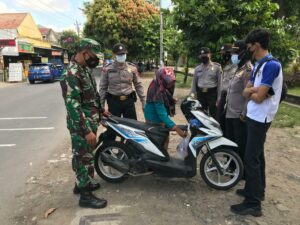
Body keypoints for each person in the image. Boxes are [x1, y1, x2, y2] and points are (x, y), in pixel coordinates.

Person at [231, 28, 283, 217]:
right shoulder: (260, 64)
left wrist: (254, 92)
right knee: (256, 155)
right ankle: (257, 191)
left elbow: (259, 96)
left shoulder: (271, 65)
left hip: (262, 117)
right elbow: (247, 90)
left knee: (251, 158)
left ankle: (253, 204)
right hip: (254, 115)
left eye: (250, 45)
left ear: (257, 45)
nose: (248, 49)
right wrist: (254, 92)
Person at [60, 38, 110, 209]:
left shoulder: (85, 70)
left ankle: (80, 184)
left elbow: (92, 94)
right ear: (85, 52)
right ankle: (86, 196)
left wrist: (101, 110)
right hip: (81, 124)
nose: (96, 59)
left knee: (83, 154)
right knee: (84, 158)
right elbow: (72, 106)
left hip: (90, 120)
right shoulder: (71, 74)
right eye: (95, 55)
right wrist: (86, 130)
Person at [99, 43, 146, 120]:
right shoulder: (107, 69)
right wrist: (101, 106)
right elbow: (103, 88)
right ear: (114, 55)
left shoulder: (132, 68)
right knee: (114, 128)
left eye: (123, 54)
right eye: (119, 54)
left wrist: (144, 102)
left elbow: (138, 85)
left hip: (129, 102)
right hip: (114, 103)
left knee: (132, 126)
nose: (122, 56)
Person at [144, 67, 187, 150]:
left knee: (165, 138)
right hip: (153, 116)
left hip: (158, 112)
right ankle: (158, 159)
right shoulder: (156, 90)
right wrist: (177, 129)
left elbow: (165, 93)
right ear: (162, 80)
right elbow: (162, 114)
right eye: (169, 82)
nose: (171, 84)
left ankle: (164, 157)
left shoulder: (159, 83)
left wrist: (171, 99)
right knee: (158, 140)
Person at [224, 40, 252, 161]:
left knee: (239, 143)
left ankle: (241, 169)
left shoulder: (248, 70)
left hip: (239, 115)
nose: (232, 55)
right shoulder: (237, 68)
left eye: (235, 52)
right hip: (229, 112)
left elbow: (249, 94)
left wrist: (244, 113)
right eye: (232, 52)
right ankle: (231, 166)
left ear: (243, 53)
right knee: (230, 141)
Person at [191, 47, 222, 119]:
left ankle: (214, 129)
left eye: (205, 56)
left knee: (214, 115)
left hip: (212, 94)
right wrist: (193, 97)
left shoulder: (217, 67)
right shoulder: (197, 68)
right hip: (200, 93)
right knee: (201, 114)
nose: (203, 58)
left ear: (210, 55)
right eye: (202, 57)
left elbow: (220, 84)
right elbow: (194, 84)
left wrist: (219, 98)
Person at [217, 44, 237, 131]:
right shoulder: (226, 66)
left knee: (225, 122)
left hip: (230, 97)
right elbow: (222, 84)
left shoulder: (236, 67)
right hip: (223, 96)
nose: (222, 55)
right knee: (219, 121)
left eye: (224, 53)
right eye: (221, 53)